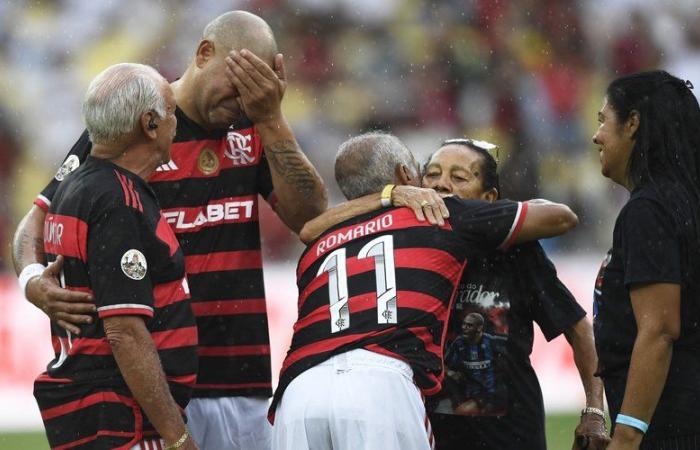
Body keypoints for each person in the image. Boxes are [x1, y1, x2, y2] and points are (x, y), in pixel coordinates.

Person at [12, 11, 327, 450]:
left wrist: (272, 118)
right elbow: (37, 221)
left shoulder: (256, 126)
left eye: (254, 94)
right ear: (204, 54)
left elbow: (310, 218)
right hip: (155, 381)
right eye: (236, 86)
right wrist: (30, 280)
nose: (241, 103)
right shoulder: (138, 125)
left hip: (242, 375)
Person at [271, 131, 579, 450]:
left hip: (299, 387)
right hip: (380, 381)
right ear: (407, 176)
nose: (439, 186)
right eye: (430, 173)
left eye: (457, 177)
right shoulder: (438, 216)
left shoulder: (327, 234)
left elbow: (307, 229)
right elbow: (561, 217)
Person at [34, 63, 198, 450]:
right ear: (150, 124)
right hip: (121, 415)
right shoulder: (115, 200)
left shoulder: (78, 187)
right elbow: (124, 332)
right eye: (172, 112)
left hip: (95, 408)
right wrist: (179, 439)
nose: (177, 123)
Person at [592, 70, 700, 449]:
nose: (597, 136)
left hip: (669, 427)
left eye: (603, 120)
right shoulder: (684, 199)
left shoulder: (650, 209)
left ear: (633, 123)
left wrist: (626, 436)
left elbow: (659, 330)